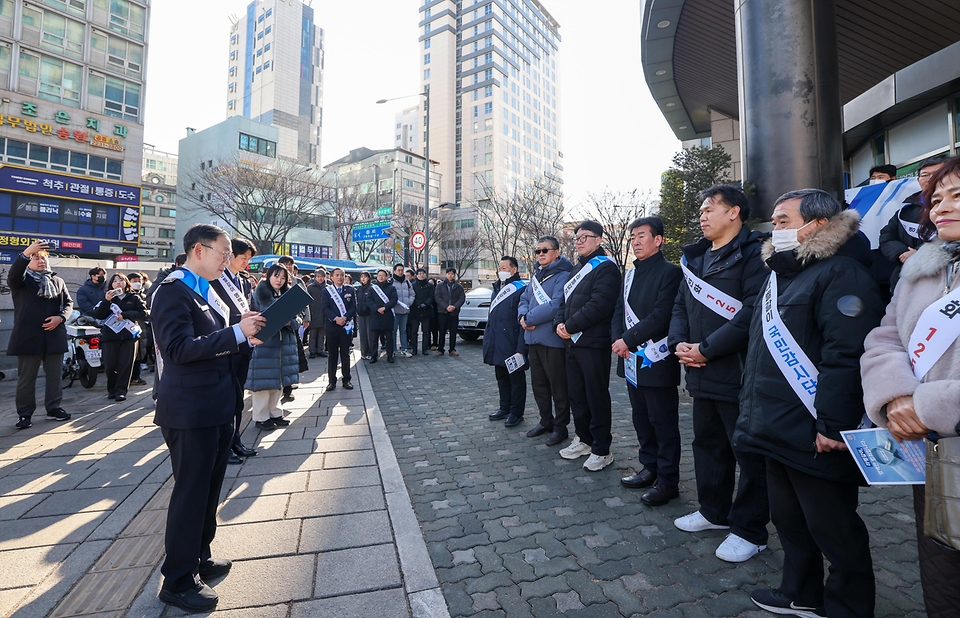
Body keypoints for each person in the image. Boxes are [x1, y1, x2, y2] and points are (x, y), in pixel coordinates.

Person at [734, 189, 882, 617]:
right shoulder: (780, 275)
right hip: (774, 426)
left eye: (783, 220)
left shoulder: (843, 273)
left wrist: (833, 425)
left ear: (817, 224)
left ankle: (848, 608)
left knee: (834, 531)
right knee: (791, 522)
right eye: (775, 221)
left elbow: (847, 353)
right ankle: (800, 593)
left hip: (815, 431)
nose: (774, 229)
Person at [862, 156, 960, 618]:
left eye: (957, 196)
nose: (941, 207)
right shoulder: (921, 270)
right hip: (935, 456)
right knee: (941, 573)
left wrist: (926, 405)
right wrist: (896, 396)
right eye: (935, 199)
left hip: (937, 424)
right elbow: (885, 338)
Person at [151, 224, 265, 612]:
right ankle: (178, 579)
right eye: (223, 252)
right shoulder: (172, 291)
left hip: (215, 406)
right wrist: (236, 333)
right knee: (191, 493)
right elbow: (179, 349)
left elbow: (217, 344)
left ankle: (199, 558)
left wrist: (246, 335)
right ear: (199, 250)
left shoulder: (206, 292)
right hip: (189, 411)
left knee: (209, 490)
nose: (226, 260)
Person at [668, 184, 770, 562]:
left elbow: (752, 312)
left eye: (711, 208)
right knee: (708, 446)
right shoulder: (695, 258)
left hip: (738, 373)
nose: (702, 215)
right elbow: (681, 305)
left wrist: (706, 349)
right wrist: (680, 343)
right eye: (701, 210)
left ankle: (750, 530)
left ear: (735, 212)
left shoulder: (755, 254)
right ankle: (714, 512)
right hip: (698, 372)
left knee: (748, 454)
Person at [612, 217, 684, 506]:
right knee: (641, 417)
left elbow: (662, 314)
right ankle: (649, 467)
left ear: (659, 239)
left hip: (657, 359)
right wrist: (618, 341)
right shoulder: (629, 275)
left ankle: (668, 481)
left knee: (663, 421)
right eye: (633, 237)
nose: (636, 242)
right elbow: (618, 310)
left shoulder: (671, 273)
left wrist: (627, 339)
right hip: (629, 358)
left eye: (642, 236)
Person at [554, 220, 620, 472]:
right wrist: (560, 323)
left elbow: (600, 305)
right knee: (577, 395)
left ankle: (602, 449)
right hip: (571, 343)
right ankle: (583, 439)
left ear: (599, 239)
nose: (579, 241)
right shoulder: (575, 269)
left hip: (593, 344)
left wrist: (569, 326)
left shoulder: (606, 268)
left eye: (585, 237)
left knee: (596, 396)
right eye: (577, 237)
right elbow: (563, 302)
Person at [8, 240, 73, 429]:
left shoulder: (57, 280)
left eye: (43, 258)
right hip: (29, 337)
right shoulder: (22, 281)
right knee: (26, 379)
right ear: (28, 261)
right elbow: (13, 275)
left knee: (55, 376)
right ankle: (25, 414)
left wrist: (60, 318)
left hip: (54, 336)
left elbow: (68, 304)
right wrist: (27, 252)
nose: (40, 261)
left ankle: (54, 408)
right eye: (36, 258)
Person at [518, 235, 573, 446]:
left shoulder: (564, 275)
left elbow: (556, 305)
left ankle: (561, 427)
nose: (540, 254)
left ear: (557, 252)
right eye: (538, 251)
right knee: (539, 384)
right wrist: (523, 317)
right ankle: (545, 421)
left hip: (552, 340)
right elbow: (524, 299)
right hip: (532, 338)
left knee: (557, 386)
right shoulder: (536, 276)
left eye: (545, 250)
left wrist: (529, 318)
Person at [209, 237, 258, 464]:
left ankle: (235, 439)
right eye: (243, 257)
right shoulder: (215, 280)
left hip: (244, 346)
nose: (246, 262)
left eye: (249, 258)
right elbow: (216, 317)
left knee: (238, 398)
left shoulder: (245, 282)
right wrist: (242, 321)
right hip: (225, 346)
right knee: (224, 399)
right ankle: (222, 445)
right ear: (230, 256)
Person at [878, 157, 946, 291]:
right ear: (918, 180)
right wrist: (901, 253)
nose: (930, 179)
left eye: (937, 173)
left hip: (943, 280)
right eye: (925, 175)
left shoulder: (954, 208)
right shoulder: (906, 211)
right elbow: (886, 236)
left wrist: (920, 256)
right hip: (906, 281)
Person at [247, 264, 300, 430]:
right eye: (276, 276)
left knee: (278, 381)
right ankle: (261, 417)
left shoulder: (288, 295)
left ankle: (275, 412)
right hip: (265, 344)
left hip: (283, 343)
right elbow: (252, 318)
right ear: (268, 276)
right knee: (263, 382)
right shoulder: (258, 295)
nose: (279, 280)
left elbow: (298, 319)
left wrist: (289, 322)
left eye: (283, 277)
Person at [484, 256, 528, 427]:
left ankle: (517, 412)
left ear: (514, 269)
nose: (500, 270)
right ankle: (505, 407)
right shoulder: (497, 287)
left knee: (516, 380)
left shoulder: (521, 288)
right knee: (501, 376)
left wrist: (521, 348)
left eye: (504, 267)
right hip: (497, 340)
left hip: (512, 341)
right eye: (499, 267)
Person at [93, 273, 146, 402]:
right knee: (110, 365)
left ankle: (121, 391)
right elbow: (99, 315)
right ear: (111, 284)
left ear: (126, 283)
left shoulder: (134, 298)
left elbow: (142, 313)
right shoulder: (107, 298)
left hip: (129, 336)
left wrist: (125, 315)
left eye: (121, 280)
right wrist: (106, 301)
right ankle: (112, 389)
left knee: (125, 364)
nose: (118, 283)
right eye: (115, 281)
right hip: (110, 336)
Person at [276, 256, 310, 402]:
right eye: (285, 264)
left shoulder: (297, 281)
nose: (288, 266)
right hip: (277, 325)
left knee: (291, 357)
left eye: (290, 264)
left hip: (293, 323)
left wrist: (306, 318)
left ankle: (288, 388)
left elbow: (305, 301)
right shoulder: (272, 280)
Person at [322, 268, 357, 391]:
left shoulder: (350, 290)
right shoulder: (327, 291)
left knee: (345, 354)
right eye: (337, 275)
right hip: (332, 327)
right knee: (332, 355)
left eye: (342, 275)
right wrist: (335, 318)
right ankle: (331, 381)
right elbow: (325, 308)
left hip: (345, 327)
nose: (340, 277)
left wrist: (345, 318)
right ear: (331, 277)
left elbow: (353, 307)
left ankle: (346, 379)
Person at [367, 269, 398, 363]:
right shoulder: (372, 288)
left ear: (387, 277)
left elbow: (394, 300)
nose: (381, 277)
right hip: (375, 316)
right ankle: (373, 356)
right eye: (379, 275)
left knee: (389, 338)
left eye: (383, 275)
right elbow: (368, 300)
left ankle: (390, 356)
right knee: (374, 339)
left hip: (387, 315)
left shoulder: (391, 288)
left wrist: (384, 307)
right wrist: (376, 308)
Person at [126, 272, 150, 386]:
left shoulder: (144, 295)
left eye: (139, 281)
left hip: (142, 327)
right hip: (129, 328)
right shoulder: (127, 295)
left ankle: (136, 376)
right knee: (130, 354)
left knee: (140, 353)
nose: (137, 283)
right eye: (134, 281)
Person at [435, 268, 465, 356]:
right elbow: (437, 297)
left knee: (453, 331)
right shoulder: (440, 286)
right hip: (442, 311)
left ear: (454, 275)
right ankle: (441, 349)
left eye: (452, 274)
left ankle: (452, 349)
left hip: (454, 312)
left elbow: (462, 298)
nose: (450, 275)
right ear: (446, 274)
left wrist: (454, 306)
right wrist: (445, 306)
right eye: (448, 274)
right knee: (442, 331)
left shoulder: (459, 286)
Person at [409, 268, 435, 356]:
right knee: (414, 332)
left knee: (426, 331)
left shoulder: (430, 286)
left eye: (423, 273)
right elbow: (412, 296)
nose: (421, 275)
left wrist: (426, 304)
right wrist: (418, 304)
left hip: (426, 310)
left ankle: (424, 349)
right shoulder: (412, 285)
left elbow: (431, 297)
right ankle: (414, 349)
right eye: (419, 273)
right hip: (415, 311)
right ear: (416, 275)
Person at [391, 263, 415, 357]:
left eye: (402, 270)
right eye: (399, 270)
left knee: (403, 330)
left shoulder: (407, 282)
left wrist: (409, 302)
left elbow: (412, 294)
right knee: (393, 331)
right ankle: (393, 350)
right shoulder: (391, 281)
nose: (400, 272)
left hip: (405, 311)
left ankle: (404, 349)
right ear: (394, 271)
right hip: (394, 311)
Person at [307, 269, 328, 359]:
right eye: (318, 277)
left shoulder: (327, 287)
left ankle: (320, 350)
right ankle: (312, 350)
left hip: (324, 314)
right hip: (313, 313)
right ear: (315, 277)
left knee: (322, 334)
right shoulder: (310, 288)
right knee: (313, 334)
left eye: (322, 277)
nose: (320, 279)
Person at [355, 271, 374, 360]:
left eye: (365, 277)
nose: (363, 278)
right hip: (360, 314)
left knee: (370, 334)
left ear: (369, 278)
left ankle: (371, 352)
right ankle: (364, 352)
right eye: (361, 277)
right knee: (362, 334)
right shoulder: (359, 289)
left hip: (370, 314)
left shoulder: (372, 288)